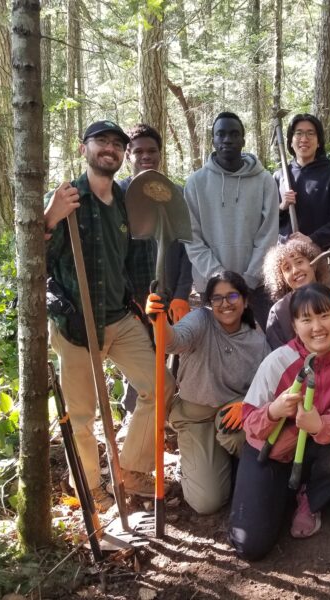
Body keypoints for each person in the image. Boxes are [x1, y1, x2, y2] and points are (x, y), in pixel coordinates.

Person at [44, 120, 175, 510]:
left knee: (160, 386)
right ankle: (90, 489)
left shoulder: (123, 201)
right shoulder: (66, 197)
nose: (110, 149)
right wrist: (49, 219)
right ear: (83, 147)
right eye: (102, 141)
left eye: (117, 144)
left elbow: (137, 261)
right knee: (81, 418)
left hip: (119, 319)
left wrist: (148, 305)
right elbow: (35, 261)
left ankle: (132, 469)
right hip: (77, 325)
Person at [228, 283, 330, 561]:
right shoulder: (278, 361)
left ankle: (311, 498)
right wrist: (274, 410)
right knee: (251, 546)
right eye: (306, 319)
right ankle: (271, 488)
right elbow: (249, 422)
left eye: (324, 315)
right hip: (271, 450)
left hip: (320, 443)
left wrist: (320, 424)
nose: (317, 327)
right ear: (294, 326)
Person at [146, 271, 270, 514]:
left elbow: (269, 383)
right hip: (196, 417)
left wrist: (247, 402)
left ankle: (243, 469)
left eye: (232, 296)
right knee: (207, 503)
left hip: (232, 413)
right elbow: (173, 341)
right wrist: (158, 320)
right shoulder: (201, 320)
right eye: (217, 298)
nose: (225, 303)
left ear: (245, 301)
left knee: (235, 435)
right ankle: (206, 463)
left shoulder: (257, 338)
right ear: (209, 303)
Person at [118, 123, 193, 414]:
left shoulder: (175, 194)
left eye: (152, 150)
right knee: (138, 362)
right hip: (133, 298)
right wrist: (126, 297)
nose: (145, 156)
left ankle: (165, 417)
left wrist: (183, 293)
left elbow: (188, 246)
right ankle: (134, 417)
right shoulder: (120, 194)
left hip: (170, 292)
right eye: (138, 151)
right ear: (128, 155)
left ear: (160, 154)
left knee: (168, 353)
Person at [184, 111, 279, 329]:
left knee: (262, 345)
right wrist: (219, 278)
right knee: (217, 350)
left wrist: (249, 279)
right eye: (221, 134)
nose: (227, 139)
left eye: (234, 134)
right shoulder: (195, 183)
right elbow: (191, 237)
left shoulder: (264, 181)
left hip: (256, 285)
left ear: (243, 140)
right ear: (213, 140)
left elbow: (269, 234)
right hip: (211, 286)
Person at [263, 238, 330, 349]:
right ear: (281, 278)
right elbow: (278, 356)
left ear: (314, 264)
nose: (295, 270)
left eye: (299, 262)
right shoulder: (279, 312)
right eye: (287, 268)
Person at [275, 114, 330, 250]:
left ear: (319, 141)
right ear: (291, 141)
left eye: (311, 133)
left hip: (319, 255)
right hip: (285, 255)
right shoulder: (280, 176)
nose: (304, 139)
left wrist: (312, 239)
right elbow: (267, 222)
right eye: (299, 133)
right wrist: (282, 207)